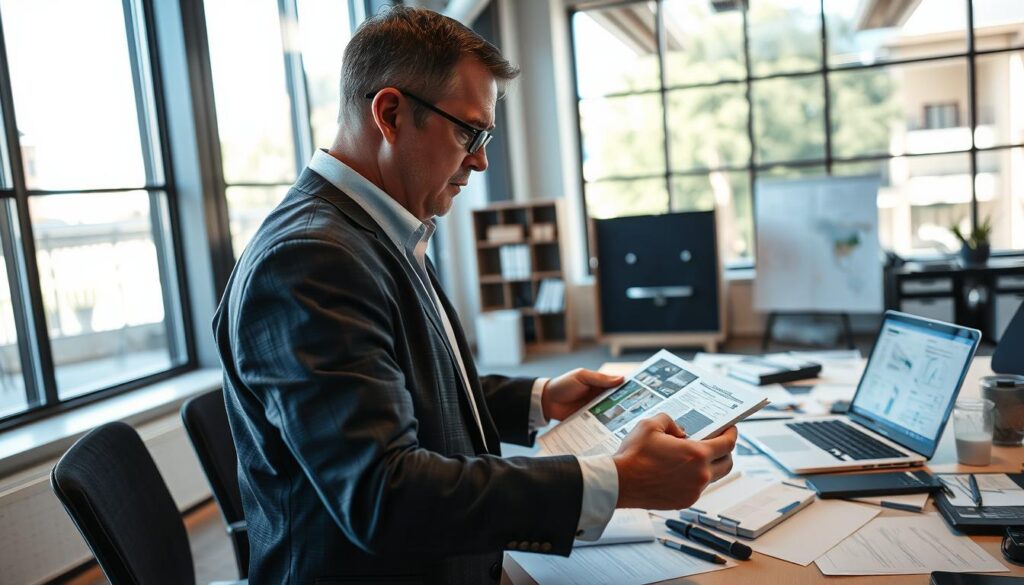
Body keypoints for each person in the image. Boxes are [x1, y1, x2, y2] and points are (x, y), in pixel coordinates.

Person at [213, 6, 737, 584]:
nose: (481, 159)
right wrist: (618, 482)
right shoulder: (312, 259)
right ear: (389, 113)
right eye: (470, 131)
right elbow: (385, 497)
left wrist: (538, 399)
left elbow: (401, 383)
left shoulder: (371, 228)